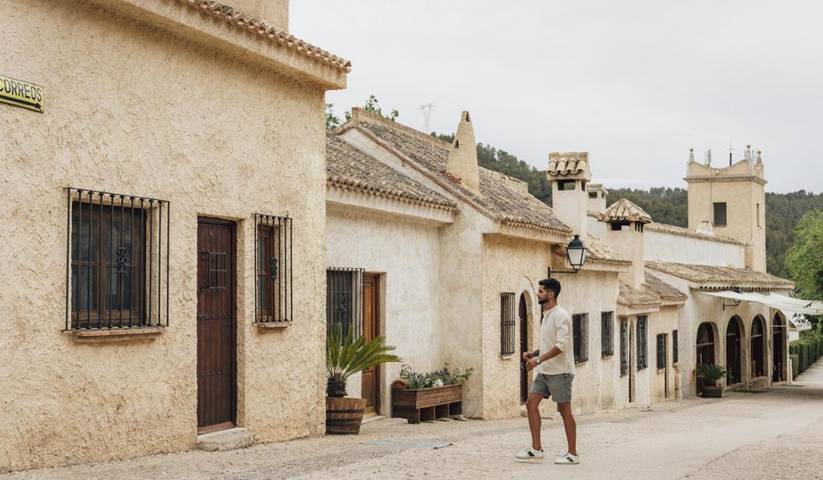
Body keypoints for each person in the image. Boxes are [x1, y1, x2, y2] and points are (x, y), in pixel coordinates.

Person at [515, 278, 579, 464]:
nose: (538, 294)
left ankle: (573, 454)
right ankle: (536, 449)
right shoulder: (547, 314)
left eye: (541, 291)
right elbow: (549, 344)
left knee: (564, 411)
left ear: (551, 294)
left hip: (561, 372)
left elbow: (562, 345)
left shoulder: (561, 315)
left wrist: (538, 360)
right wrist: (534, 353)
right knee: (531, 404)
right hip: (545, 371)